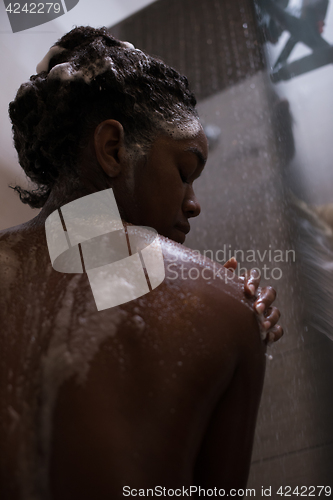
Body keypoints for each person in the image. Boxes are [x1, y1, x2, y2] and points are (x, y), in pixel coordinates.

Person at [0, 27, 282, 499]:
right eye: (184, 172)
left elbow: (78, 245)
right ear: (112, 149)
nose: (194, 204)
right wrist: (223, 305)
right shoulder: (227, 308)